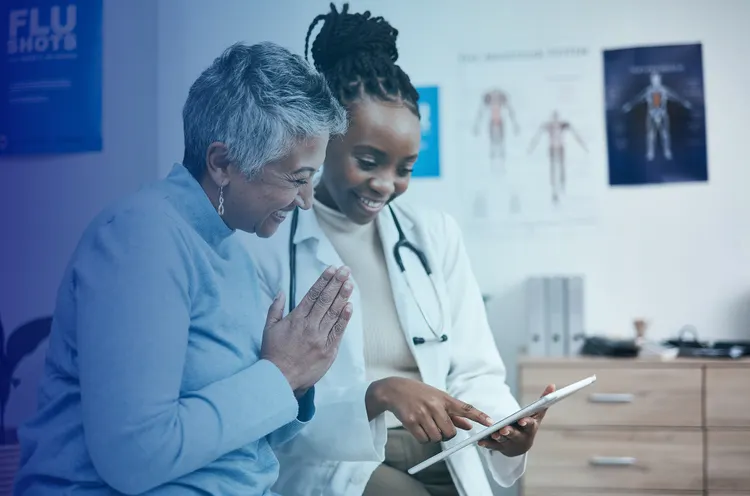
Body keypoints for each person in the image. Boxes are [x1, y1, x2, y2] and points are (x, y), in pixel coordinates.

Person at [14, 41, 353, 495]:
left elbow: (243, 438)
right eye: (297, 179)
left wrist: (298, 377)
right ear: (223, 163)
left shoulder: (230, 249)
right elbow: (136, 456)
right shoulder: (140, 239)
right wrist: (281, 374)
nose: (306, 200)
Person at [240, 5, 554, 496]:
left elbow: (474, 368)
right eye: (369, 161)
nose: (386, 184)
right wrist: (376, 396)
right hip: (334, 459)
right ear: (324, 139)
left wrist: (503, 429)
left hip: (445, 447)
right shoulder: (267, 242)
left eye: (405, 167)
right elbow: (264, 403)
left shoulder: (434, 234)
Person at [527, 110, 588, 204]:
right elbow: (537, 135)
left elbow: (575, 133)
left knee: (561, 168)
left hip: (560, 149)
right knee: (553, 170)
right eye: (554, 118)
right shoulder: (548, 126)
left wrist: (583, 145)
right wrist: (531, 147)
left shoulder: (562, 125)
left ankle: (562, 186)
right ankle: (554, 192)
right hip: (553, 149)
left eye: (556, 118)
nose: (555, 121)